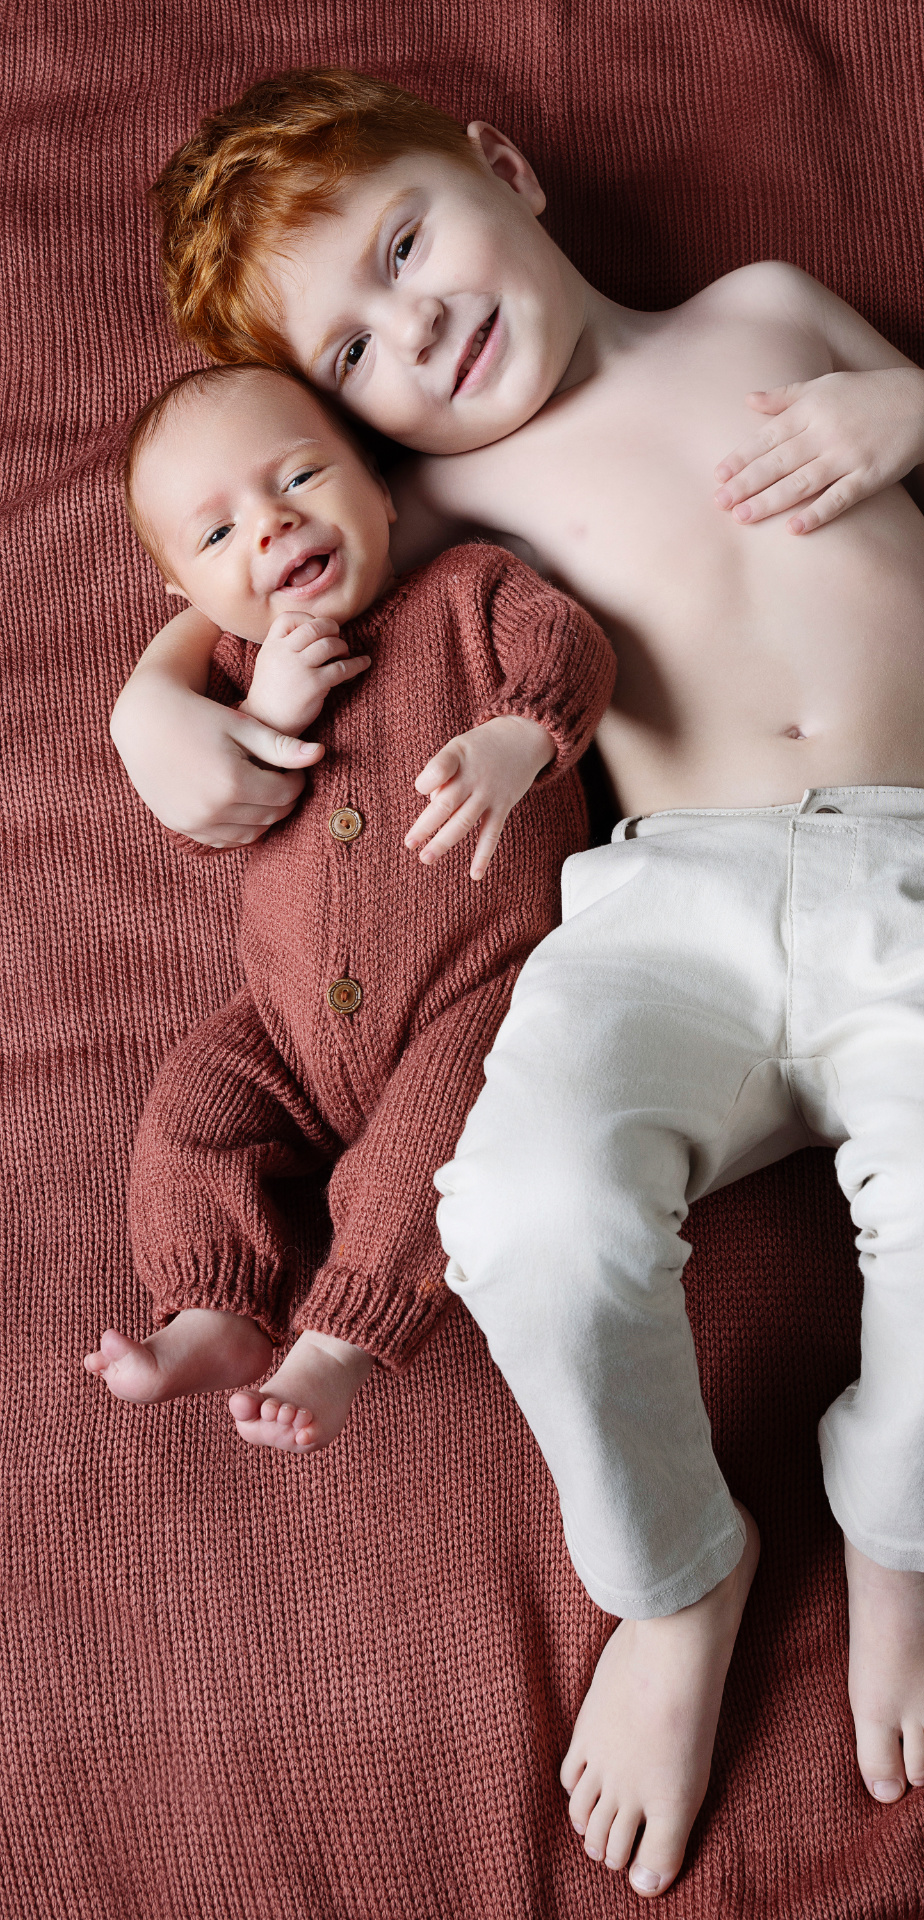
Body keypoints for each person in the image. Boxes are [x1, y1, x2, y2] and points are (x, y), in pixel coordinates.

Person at [109, 70, 924, 1896]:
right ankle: (673, 1579)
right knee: (521, 1212)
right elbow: (239, 548)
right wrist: (149, 698)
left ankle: (904, 1509)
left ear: (507, 170)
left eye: (410, 241)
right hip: (659, 910)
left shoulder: (763, 311)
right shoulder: (429, 492)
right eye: (355, 346)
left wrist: (914, 415)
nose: (417, 321)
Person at [86, 359, 613, 1453]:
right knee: (189, 1117)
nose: (271, 528)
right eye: (217, 535)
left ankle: (340, 1337)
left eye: (299, 477)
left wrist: (518, 736)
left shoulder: (468, 588)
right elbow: (211, 812)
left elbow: (569, 645)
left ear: (379, 488)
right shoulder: (225, 674)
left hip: (479, 988)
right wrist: (263, 709)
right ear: (181, 593)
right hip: (278, 1022)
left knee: (424, 1146)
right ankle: (214, 1310)